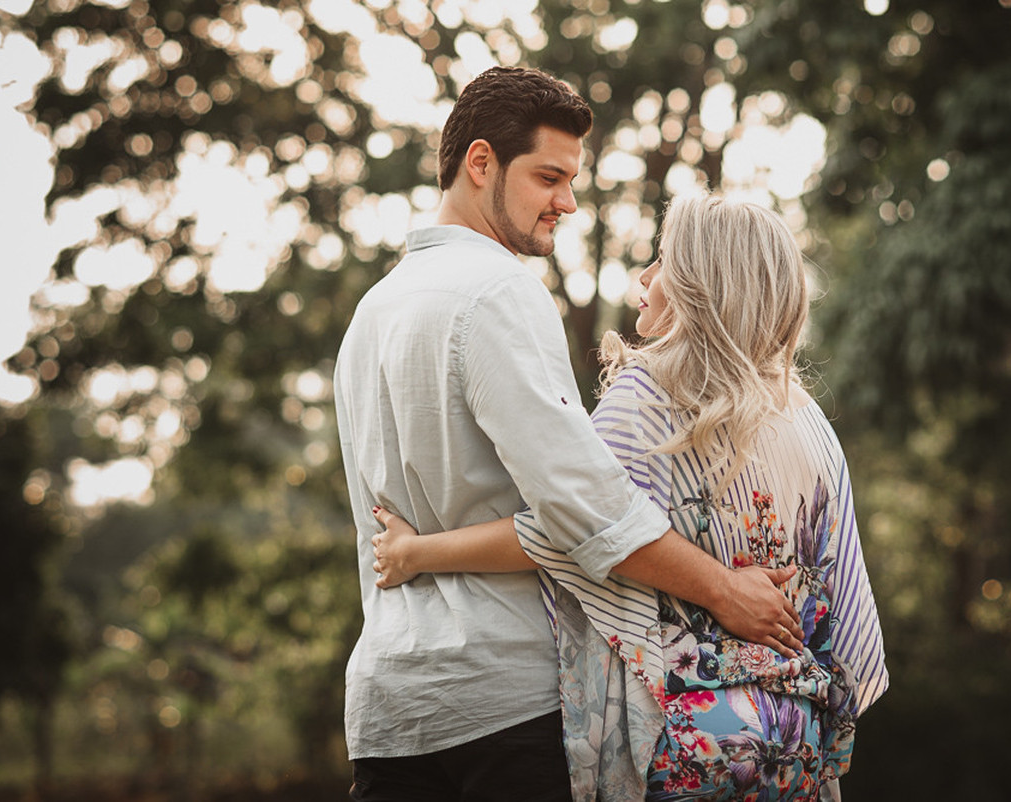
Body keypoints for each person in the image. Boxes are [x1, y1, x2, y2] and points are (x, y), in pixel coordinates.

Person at [333, 67, 803, 802]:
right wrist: (725, 591)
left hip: (390, 710)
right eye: (549, 177)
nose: (568, 202)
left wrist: (419, 553)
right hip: (506, 709)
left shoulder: (373, 310)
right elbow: (586, 507)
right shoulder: (498, 291)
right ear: (480, 162)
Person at [369, 194, 889, 801]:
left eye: (663, 260)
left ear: (701, 284)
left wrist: (417, 554)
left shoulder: (650, 397)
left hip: (689, 742)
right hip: (796, 744)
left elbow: (566, 529)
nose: (644, 277)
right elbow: (850, 625)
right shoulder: (809, 420)